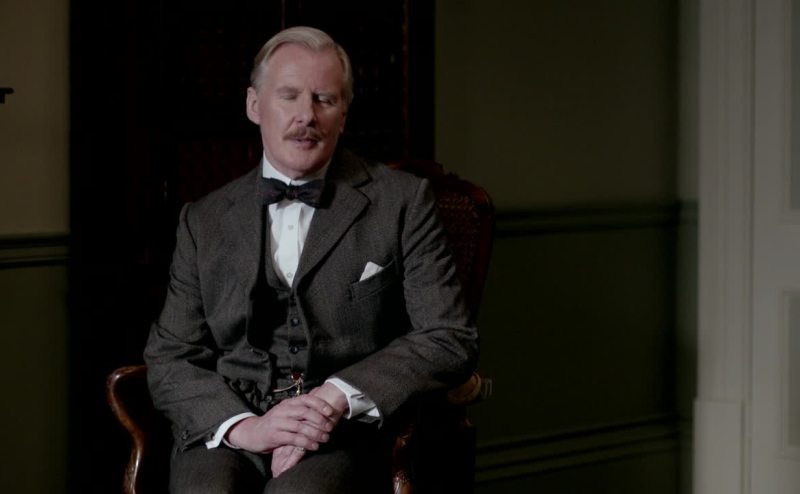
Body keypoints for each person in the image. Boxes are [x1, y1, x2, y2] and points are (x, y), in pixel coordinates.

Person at [144, 25, 477, 493]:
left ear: (344, 114)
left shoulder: (403, 202)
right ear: (254, 105)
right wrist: (246, 428)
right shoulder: (204, 219)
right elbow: (171, 356)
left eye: (325, 99)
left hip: (342, 431)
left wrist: (334, 399)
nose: (307, 115)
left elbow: (448, 337)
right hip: (231, 424)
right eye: (289, 96)